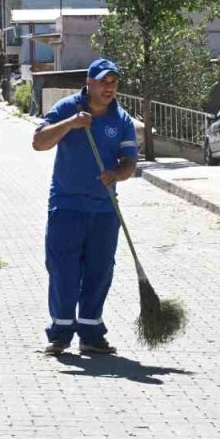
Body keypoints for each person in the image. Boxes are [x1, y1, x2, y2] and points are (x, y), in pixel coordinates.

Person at [32, 59, 139, 355]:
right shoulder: (67, 108)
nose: (109, 87)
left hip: (104, 211)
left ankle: (91, 335)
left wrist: (116, 174)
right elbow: (39, 142)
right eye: (104, 81)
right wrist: (71, 124)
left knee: (99, 271)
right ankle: (60, 334)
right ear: (89, 83)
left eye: (114, 82)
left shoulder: (122, 120)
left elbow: (130, 163)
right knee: (63, 270)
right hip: (66, 206)